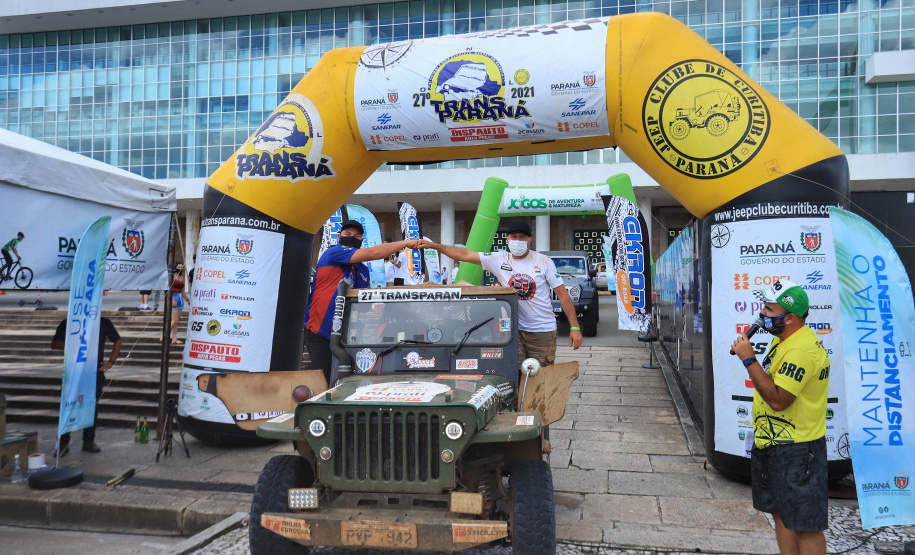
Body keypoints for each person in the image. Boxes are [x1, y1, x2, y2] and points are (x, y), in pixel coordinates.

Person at [420, 221, 583, 458]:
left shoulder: (543, 262)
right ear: (507, 240)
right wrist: (435, 246)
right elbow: (464, 253)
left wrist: (575, 327)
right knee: (512, 377)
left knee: (541, 379)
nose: (517, 240)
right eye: (513, 236)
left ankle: (543, 434)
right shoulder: (498, 259)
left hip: (542, 331)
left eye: (522, 237)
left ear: (529, 240)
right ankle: (513, 426)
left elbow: (562, 294)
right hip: (510, 330)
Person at [731, 279, 829, 555]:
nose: (763, 313)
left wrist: (749, 359)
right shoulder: (784, 341)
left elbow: (778, 400)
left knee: (804, 524)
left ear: (791, 317)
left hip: (798, 451)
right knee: (781, 514)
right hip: (774, 445)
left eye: (770, 309)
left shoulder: (800, 350)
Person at [304, 220, 419, 383]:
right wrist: (406, 243)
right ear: (339, 237)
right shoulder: (334, 252)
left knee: (345, 379)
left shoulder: (363, 271)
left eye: (356, 235)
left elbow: (362, 304)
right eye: (347, 234)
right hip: (320, 329)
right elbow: (373, 253)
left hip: (347, 335)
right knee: (322, 378)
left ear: (361, 240)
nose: (352, 237)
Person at [51, 317, 122, 456]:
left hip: (94, 371)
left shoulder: (103, 322)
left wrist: (111, 361)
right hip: (73, 371)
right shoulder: (69, 321)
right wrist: (73, 344)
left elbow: (117, 341)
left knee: (92, 406)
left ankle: (88, 441)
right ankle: (63, 443)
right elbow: (54, 344)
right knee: (68, 405)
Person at [168, 263, 189, 345]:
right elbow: (169, 289)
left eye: (181, 267)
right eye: (178, 267)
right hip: (174, 296)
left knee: (177, 321)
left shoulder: (181, 277)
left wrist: (187, 299)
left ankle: (174, 338)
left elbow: (183, 291)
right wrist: (172, 300)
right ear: (175, 267)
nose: (180, 268)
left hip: (180, 297)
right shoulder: (173, 276)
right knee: (174, 320)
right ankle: (164, 335)